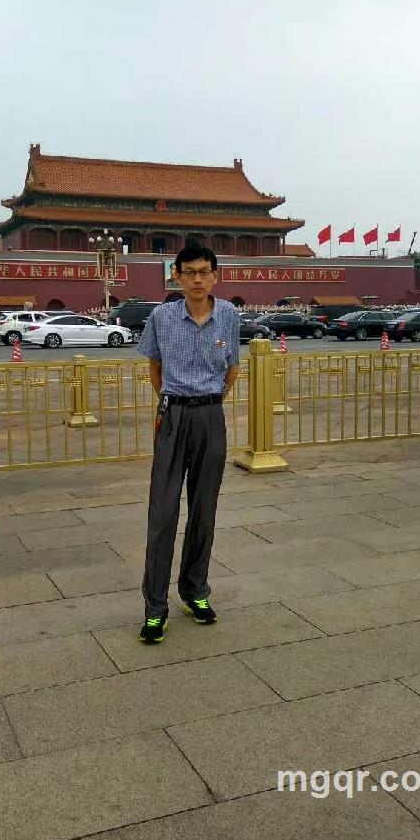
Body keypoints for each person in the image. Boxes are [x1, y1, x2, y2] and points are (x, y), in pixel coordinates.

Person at [136, 245, 240, 644]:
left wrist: (210, 403)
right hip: (174, 415)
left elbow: (232, 368)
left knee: (204, 510)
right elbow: (155, 368)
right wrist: (173, 406)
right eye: (190, 272)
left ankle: (195, 590)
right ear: (176, 275)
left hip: (210, 416)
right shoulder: (161, 317)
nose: (198, 279)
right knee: (163, 512)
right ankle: (154, 608)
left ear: (215, 276)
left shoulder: (228, 315)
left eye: (205, 271)